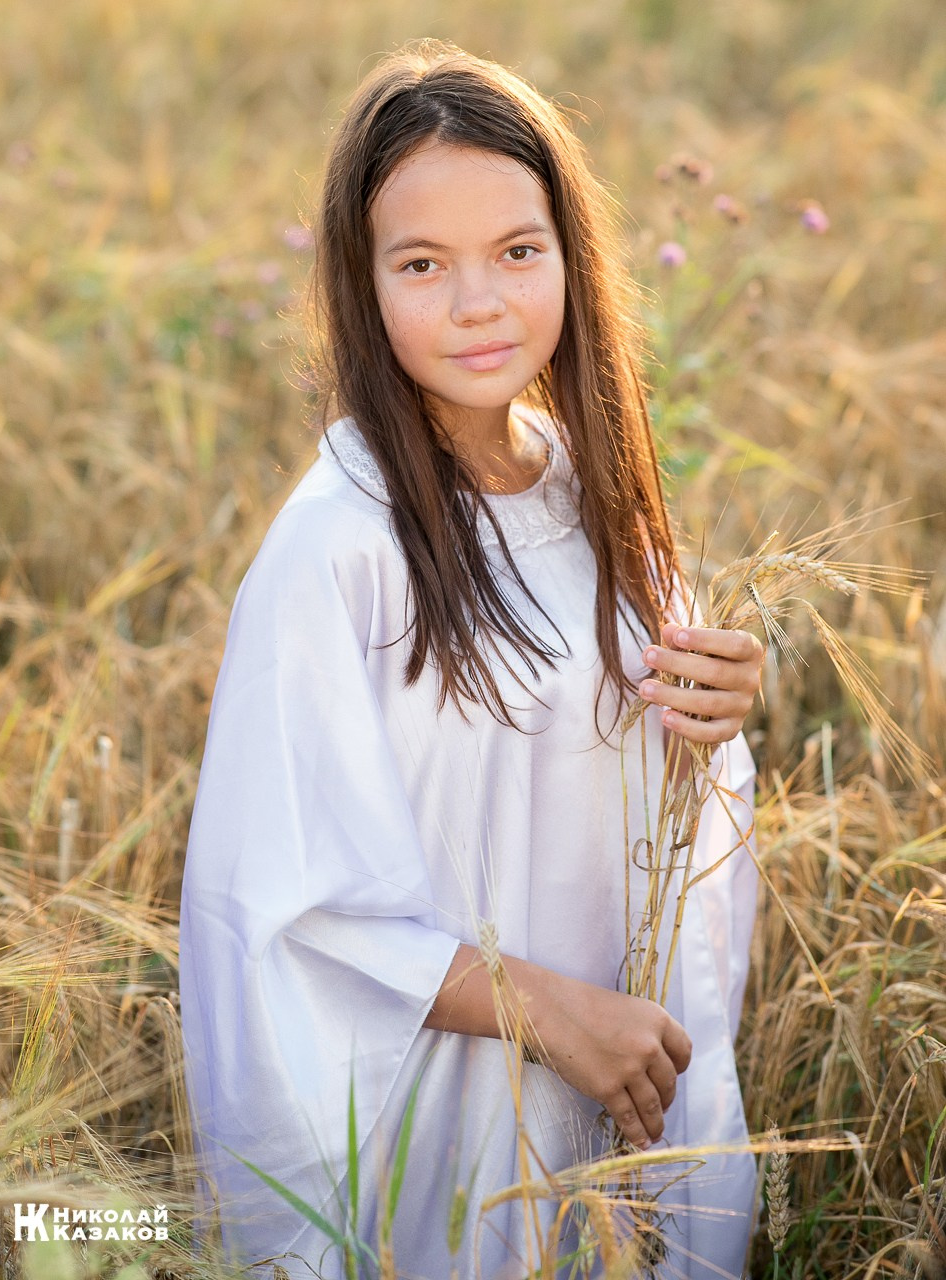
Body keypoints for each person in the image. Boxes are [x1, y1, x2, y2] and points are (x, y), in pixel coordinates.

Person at [179, 40, 764, 1280]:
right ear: (363, 283)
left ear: (569, 256)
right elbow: (290, 902)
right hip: (447, 1135)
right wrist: (549, 1013)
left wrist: (717, 706)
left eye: (516, 251)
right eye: (421, 264)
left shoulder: (587, 490)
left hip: (613, 1103)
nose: (479, 302)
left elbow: (646, 776)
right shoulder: (337, 547)